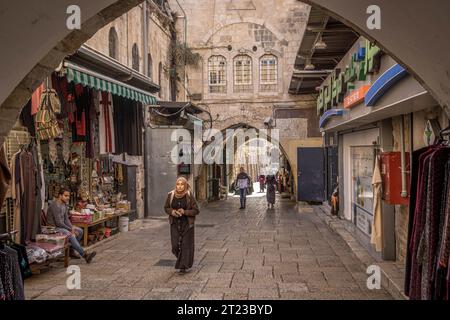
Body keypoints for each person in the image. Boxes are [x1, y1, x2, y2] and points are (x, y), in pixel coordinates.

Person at [46, 187, 96, 263]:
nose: (68, 198)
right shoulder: (55, 206)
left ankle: (71, 251)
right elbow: (58, 222)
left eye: (68, 196)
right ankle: (85, 255)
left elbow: (66, 219)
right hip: (54, 228)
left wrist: (72, 227)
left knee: (80, 231)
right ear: (60, 196)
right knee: (70, 235)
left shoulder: (64, 205)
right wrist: (70, 230)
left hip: (61, 226)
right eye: (65, 196)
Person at [164, 177, 199, 274]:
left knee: (185, 245)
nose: (179, 186)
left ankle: (183, 266)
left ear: (185, 185)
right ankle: (183, 259)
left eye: (182, 184)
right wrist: (172, 212)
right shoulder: (171, 195)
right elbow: (166, 208)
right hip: (174, 223)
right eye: (178, 184)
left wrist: (185, 212)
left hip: (187, 224)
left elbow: (196, 210)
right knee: (175, 245)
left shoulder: (189, 195)